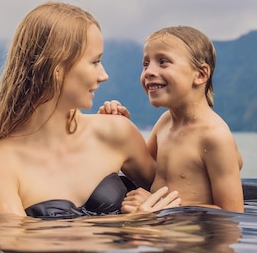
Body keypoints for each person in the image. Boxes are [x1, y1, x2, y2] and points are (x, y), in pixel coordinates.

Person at [0, 2, 180, 219]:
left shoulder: (116, 132)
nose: (103, 75)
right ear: (58, 69)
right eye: (95, 61)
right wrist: (131, 221)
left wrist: (154, 208)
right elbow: (13, 243)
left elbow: (183, 199)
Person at [100, 26, 244, 213]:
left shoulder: (214, 136)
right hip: (163, 230)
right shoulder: (166, 121)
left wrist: (160, 208)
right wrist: (118, 128)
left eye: (163, 62)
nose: (149, 71)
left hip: (191, 236)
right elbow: (146, 173)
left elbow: (232, 213)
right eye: (145, 64)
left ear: (200, 75)